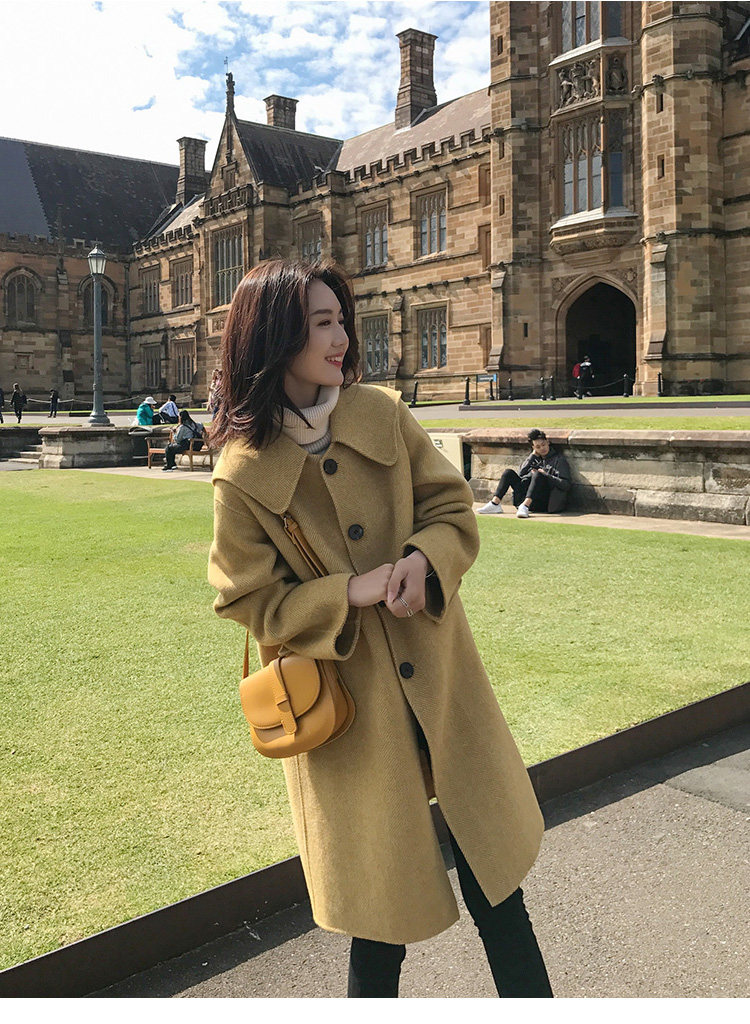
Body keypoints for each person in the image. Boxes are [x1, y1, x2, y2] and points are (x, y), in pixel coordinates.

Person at [207, 260, 553, 999]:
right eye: (321, 323)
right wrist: (348, 592)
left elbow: (452, 511)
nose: (341, 338)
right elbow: (248, 599)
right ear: (276, 337)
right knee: (380, 921)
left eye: (341, 320)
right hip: (354, 714)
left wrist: (424, 561)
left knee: (500, 892)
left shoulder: (384, 413)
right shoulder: (241, 472)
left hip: (441, 684)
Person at [477, 428, 571, 519]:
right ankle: (495, 504)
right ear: (533, 448)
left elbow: (566, 485)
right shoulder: (534, 458)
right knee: (508, 473)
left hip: (543, 501)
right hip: (523, 497)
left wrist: (546, 475)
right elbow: (520, 474)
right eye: (538, 447)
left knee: (538, 474)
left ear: (548, 442)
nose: (542, 448)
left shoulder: (559, 460)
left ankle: (525, 506)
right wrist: (532, 456)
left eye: (543, 445)